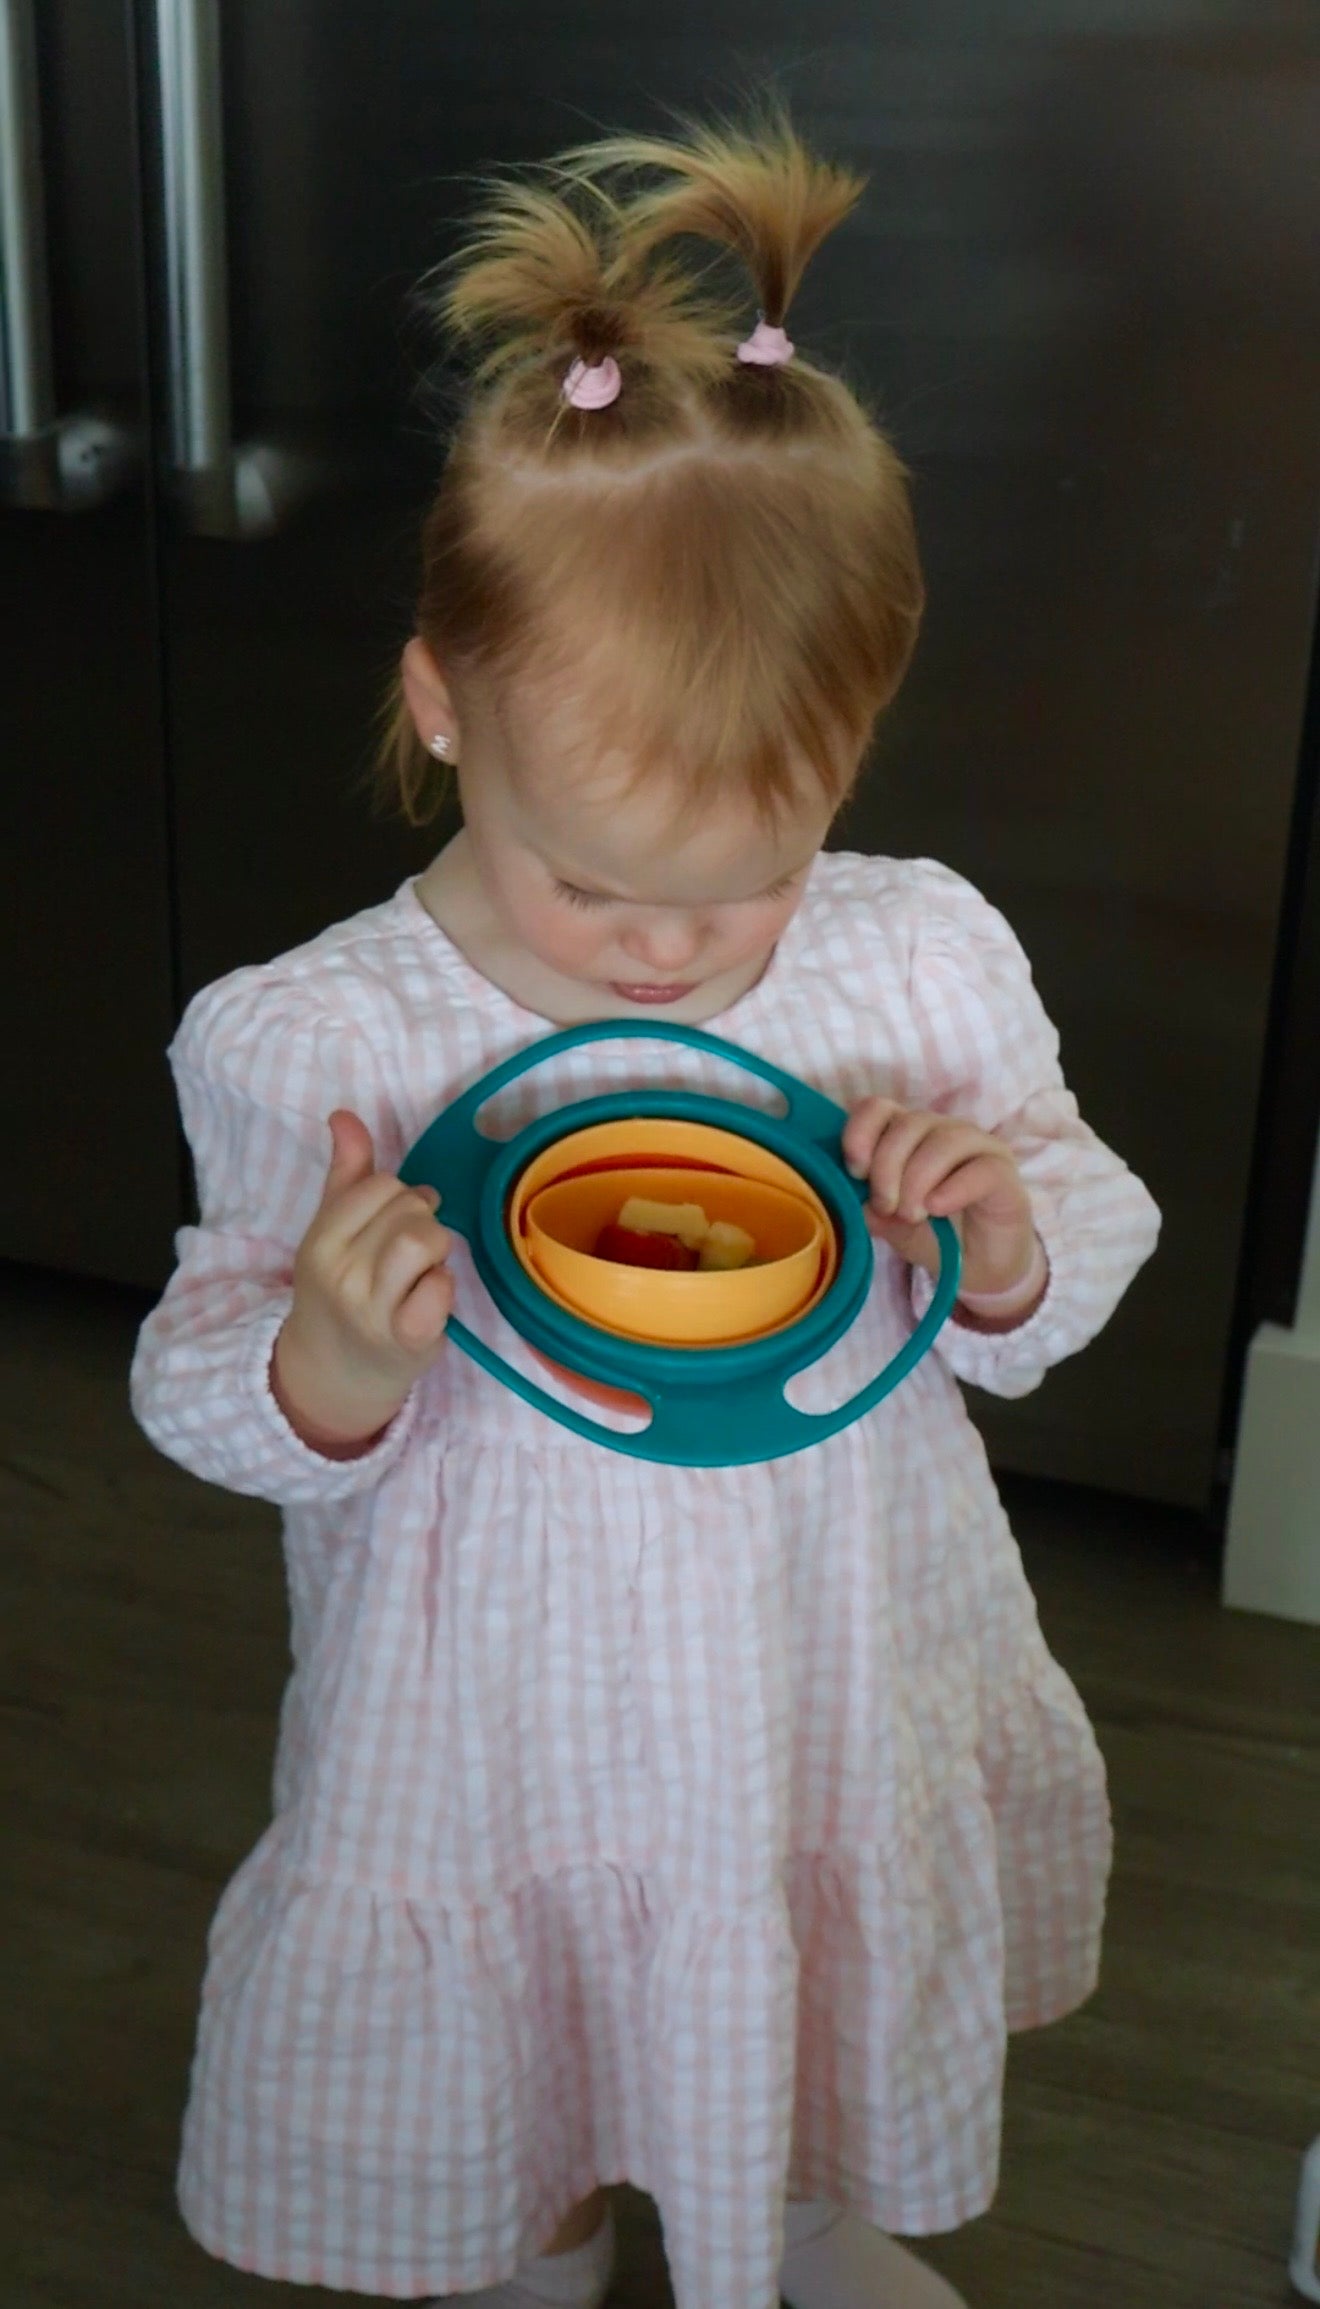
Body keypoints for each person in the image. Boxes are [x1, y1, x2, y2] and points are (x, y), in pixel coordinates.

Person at [130, 110, 1160, 2309]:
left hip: (824, 1673)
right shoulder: (321, 1045)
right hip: (489, 1728)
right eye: (588, 882)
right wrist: (321, 1357)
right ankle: (537, 2233)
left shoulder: (909, 962)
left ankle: (789, 2219)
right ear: (441, 708)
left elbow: (1074, 1208)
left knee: (781, 2009)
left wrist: (999, 1232)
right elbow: (198, 1368)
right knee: (532, 2078)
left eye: (745, 882)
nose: (671, 954)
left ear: (848, 762)